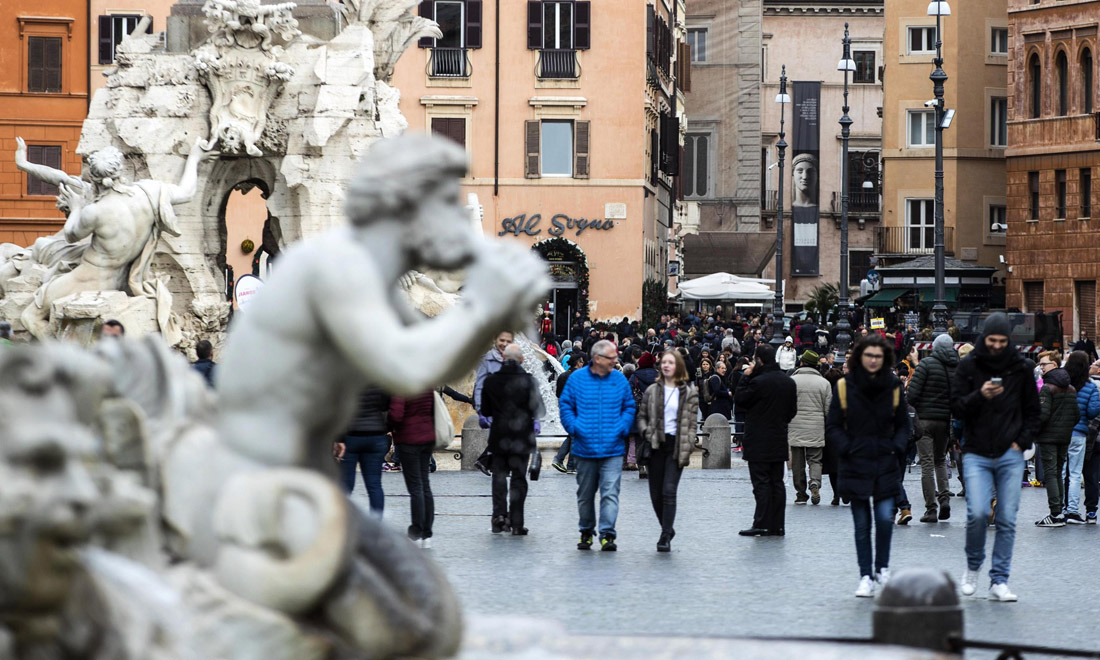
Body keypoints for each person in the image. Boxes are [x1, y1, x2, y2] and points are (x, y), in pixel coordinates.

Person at [951, 312, 1040, 602]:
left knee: (1006, 519)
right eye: (993, 341)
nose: (998, 346)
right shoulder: (968, 366)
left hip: (1010, 452)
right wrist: (981, 394)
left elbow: (1033, 411)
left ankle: (999, 580)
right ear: (983, 339)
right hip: (976, 451)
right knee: (977, 513)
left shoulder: (1022, 368)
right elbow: (957, 408)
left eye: (1003, 341)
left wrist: (1021, 442)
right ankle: (973, 567)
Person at [825, 334, 910, 597]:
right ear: (860, 357)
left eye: (878, 356)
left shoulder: (894, 387)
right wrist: (847, 447)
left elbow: (904, 424)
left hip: (885, 461)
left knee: (885, 518)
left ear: (884, 358)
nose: (873, 360)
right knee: (862, 525)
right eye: (868, 355)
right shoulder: (844, 386)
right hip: (856, 462)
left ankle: (881, 567)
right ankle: (865, 575)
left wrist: (896, 446)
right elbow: (834, 425)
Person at [559, 339, 636, 551]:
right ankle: (586, 531)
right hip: (585, 448)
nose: (616, 361)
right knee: (585, 495)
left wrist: (622, 427)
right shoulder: (577, 379)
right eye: (611, 357)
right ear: (597, 359)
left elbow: (629, 407)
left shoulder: (619, 380)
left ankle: (607, 534)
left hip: (612, 449)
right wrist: (574, 427)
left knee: (610, 493)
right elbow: (565, 405)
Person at [635, 350, 700, 552]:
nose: (666, 365)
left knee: (669, 490)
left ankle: (665, 536)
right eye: (663, 362)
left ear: (678, 366)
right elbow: (642, 416)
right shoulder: (653, 390)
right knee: (656, 494)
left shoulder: (689, 392)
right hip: (656, 444)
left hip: (676, 445)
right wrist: (647, 431)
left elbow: (691, 424)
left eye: (670, 362)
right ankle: (667, 526)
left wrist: (688, 444)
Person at [480, 344, 545, 535]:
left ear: (502, 357)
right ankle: (517, 523)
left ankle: (498, 516)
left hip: (499, 437)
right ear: (522, 359)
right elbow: (540, 410)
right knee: (518, 479)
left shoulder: (491, 381)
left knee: (499, 477)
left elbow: (485, 411)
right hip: (522, 438)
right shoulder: (529, 381)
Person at [734, 344, 798, 537]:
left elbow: (740, 399)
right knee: (776, 483)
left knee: (761, 483)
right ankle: (777, 525)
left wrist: (746, 376)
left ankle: (761, 522)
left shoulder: (757, 382)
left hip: (758, 440)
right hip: (778, 438)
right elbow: (791, 412)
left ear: (759, 360)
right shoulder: (788, 382)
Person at [906, 333, 959, 523]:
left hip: (925, 421)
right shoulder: (957, 367)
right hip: (945, 420)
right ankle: (944, 498)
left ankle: (931, 508)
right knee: (939, 461)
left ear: (934, 347)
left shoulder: (927, 365)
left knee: (927, 463)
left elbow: (912, 395)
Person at [388, 389, 438, 548]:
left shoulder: (403, 384)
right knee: (425, 484)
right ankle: (427, 534)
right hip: (427, 437)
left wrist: (389, 425)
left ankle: (416, 532)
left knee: (415, 487)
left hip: (408, 439)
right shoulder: (428, 384)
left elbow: (396, 414)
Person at [334, 387, 391, 513]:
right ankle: (376, 524)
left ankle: (343, 521)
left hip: (351, 435)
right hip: (376, 435)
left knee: (346, 484)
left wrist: (339, 438)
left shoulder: (349, 380)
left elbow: (339, 407)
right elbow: (386, 405)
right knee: (374, 484)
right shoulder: (378, 380)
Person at [1033, 367, 1077, 527]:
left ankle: (1055, 513)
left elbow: (1043, 415)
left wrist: (1034, 429)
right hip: (1065, 436)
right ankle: (1060, 511)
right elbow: (1076, 414)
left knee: (1050, 473)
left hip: (1048, 437)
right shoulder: (1071, 389)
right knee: (1058, 472)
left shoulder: (1047, 388)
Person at [789, 350, 831, 505]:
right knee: (815, 460)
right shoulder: (824, 383)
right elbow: (828, 409)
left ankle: (800, 493)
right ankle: (815, 482)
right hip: (816, 426)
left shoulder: (792, 380)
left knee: (797, 463)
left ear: (802, 363)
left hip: (796, 426)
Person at [1062, 351, 1099, 524]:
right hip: (1079, 432)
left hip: (1061, 432)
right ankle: (1073, 510)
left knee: (1061, 472)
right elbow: (1092, 412)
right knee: (1076, 473)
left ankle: (1059, 508)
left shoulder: (1061, 382)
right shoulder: (1090, 386)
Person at [473, 330, 516, 475]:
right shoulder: (486, 360)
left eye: (508, 341)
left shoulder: (513, 359)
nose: (504, 344)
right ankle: (492, 464)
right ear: (495, 340)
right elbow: (479, 386)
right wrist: (480, 410)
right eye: (501, 340)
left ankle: (488, 462)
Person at [552, 353, 586, 474]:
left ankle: (559, 459)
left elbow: (557, 394)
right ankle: (571, 466)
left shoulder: (563, 376)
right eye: (581, 362)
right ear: (577, 363)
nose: (583, 364)